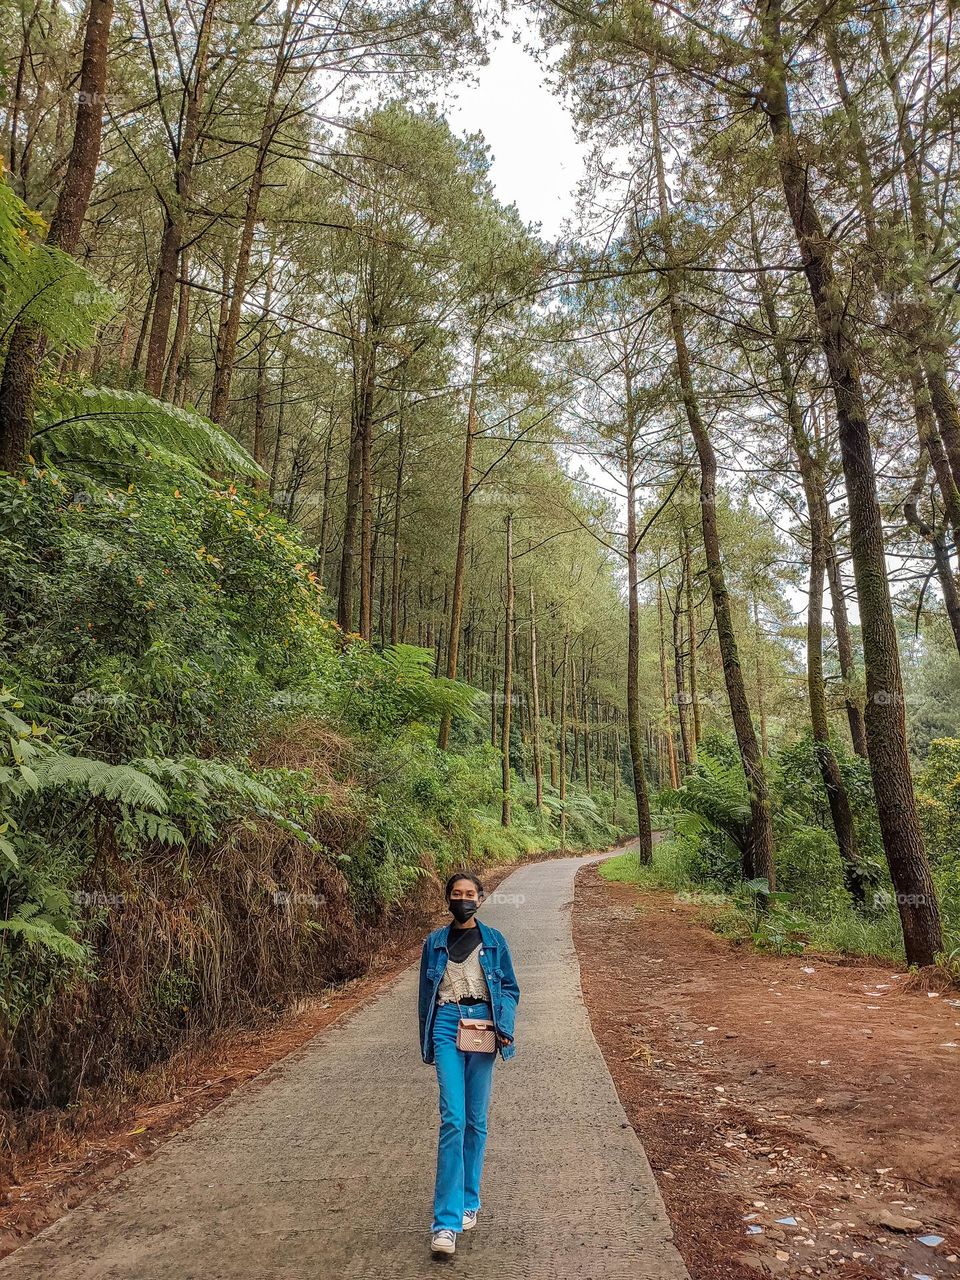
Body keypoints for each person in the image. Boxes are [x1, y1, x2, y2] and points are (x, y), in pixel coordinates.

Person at [417, 871, 520, 1256]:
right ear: (448, 899)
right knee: (453, 1120)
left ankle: (468, 1201)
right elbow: (425, 997)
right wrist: (427, 1041)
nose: (463, 899)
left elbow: (509, 988)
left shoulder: (494, 941)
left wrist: (505, 1026)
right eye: (456, 893)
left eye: (469, 893)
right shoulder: (434, 943)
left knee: (476, 1120)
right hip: (447, 1024)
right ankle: (445, 1224)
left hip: (484, 1026)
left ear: (480, 898)